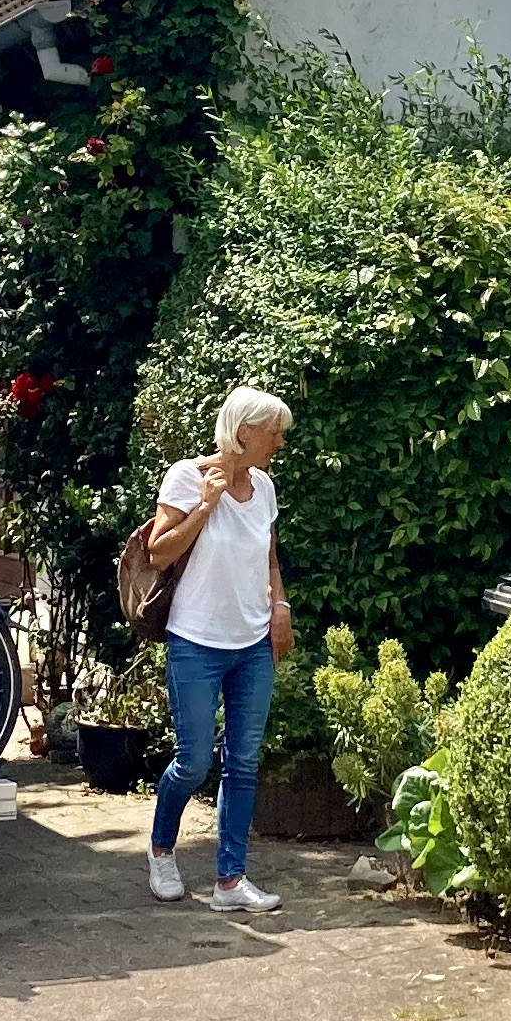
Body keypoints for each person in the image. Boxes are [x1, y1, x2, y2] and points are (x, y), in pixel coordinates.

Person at [136, 385, 294, 915]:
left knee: (243, 764)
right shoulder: (187, 475)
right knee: (194, 761)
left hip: (252, 645)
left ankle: (230, 881)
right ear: (244, 432)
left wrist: (280, 607)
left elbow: (269, 557)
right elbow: (159, 553)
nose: (279, 442)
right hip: (196, 642)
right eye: (274, 433)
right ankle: (162, 851)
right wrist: (206, 504)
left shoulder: (265, 487)